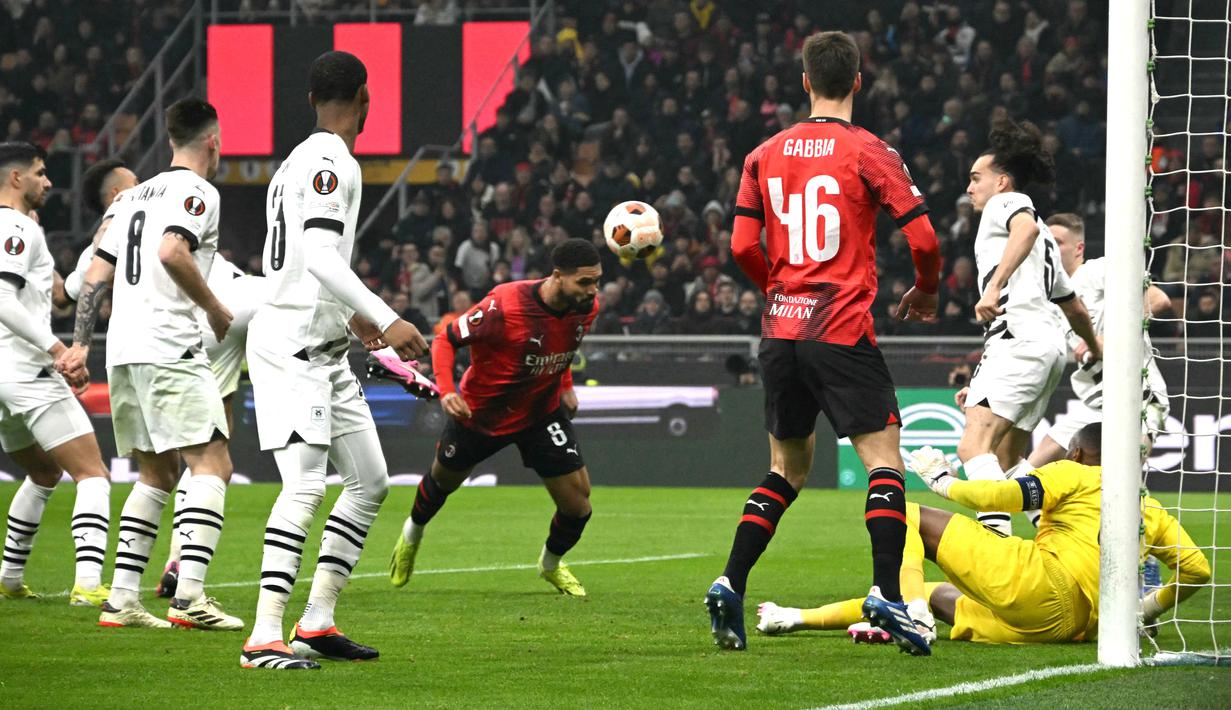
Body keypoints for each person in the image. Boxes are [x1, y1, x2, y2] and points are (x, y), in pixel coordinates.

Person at [711, 31, 942, 655]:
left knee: (784, 471)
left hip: (780, 333)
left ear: (805, 82)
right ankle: (887, 595)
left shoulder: (763, 153)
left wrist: (779, 290)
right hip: (840, 330)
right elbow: (923, 242)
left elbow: (739, 247)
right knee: (884, 463)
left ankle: (730, 582)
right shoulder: (869, 151)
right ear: (859, 82)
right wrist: (925, 292)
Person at [242, 51, 428, 671]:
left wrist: (352, 320)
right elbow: (320, 256)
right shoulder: (329, 159)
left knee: (369, 481)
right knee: (302, 486)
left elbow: (300, 261)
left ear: (311, 97)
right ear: (365, 99)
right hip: (293, 345)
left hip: (322, 343)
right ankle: (264, 636)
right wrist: (387, 316)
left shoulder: (299, 161)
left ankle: (316, 620)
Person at [756, 424, 1211, 644]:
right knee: (938, 592)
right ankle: (793, 617)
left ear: (1077, 452)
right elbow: (1197, 570)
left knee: (904, 515)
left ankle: (911, 614)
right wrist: (1143, 608)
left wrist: (944, 482)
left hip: (1040, 584)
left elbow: (1004, 496)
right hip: (1070, 627)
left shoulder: (1076, 472)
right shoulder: (1147, 507)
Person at [62, 100, 243, 631]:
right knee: (213, 464)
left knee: (157, 473)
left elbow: (96, 272)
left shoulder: (130, 197)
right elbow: (171, 251)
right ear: (213, 141)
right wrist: (214, 308)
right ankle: (190, 598)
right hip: (170, 344)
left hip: (122, 350)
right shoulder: (198, 191)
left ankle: (121, 601)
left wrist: (79, 345)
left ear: (170, 139)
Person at [389, 239, 601, 597]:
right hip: (481, 414)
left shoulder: (586, 307)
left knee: (578, 505)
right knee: (442, 482)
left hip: (540, 412)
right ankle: (412, 533)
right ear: (557, 276)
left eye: (596, 280)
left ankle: (550, 565)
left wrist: (565, 384)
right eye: (584, 282)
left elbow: (563, 344)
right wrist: (448, 391)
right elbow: (446, 340)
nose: (592, 290)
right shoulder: (506, 303)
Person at [957, 121, 1100, 536]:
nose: (970, 188)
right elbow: (1072, 305)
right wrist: (1094, 345)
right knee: (1007, 462)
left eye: (975, 178)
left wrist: (994, 287)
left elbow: (1027, 226)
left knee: (972, 447)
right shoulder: (1048, 252)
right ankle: (1069, 536)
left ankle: (994, 551)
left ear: (1000, 181)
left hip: (1017, 341)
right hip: (1048, 349)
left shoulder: (1009, 204)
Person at [0, 142, 112, 607]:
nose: (48, 182)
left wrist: (96, 252)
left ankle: (9, 577)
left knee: (44, 472)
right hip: (23, 369)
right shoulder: (17, 227)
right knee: (93, 475)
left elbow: (58, 295)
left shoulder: (22, 230)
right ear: (15, 178)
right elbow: (2, 299)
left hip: (3, 378)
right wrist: (58, 348)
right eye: (41, 173)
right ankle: (88, 583)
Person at [1026, 213, 1171, 476]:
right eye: (1047, 242)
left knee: (1122, 482)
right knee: (1030, 474)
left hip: (1138, 398)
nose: (1050, 248)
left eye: (1058, 242)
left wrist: (1110, 338)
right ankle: (1052, 520)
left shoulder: (1096, 271)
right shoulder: (1051, 297)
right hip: (1095, 404)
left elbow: (1158, 299)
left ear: (1079, 248)